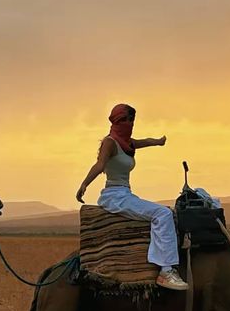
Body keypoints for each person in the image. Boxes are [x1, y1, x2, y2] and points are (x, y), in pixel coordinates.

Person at [76, 103, 188, 291]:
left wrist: (158, 142)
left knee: (168, 212)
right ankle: (166, 271)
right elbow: (100, 164)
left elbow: (144, 141)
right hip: (114, 196)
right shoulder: (110, 142)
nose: (131, 123)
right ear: (119, 120)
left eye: (133, 120)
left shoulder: (127, 143)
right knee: (162, 214)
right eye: (128, 120)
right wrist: (84, 184)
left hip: (125, 193)